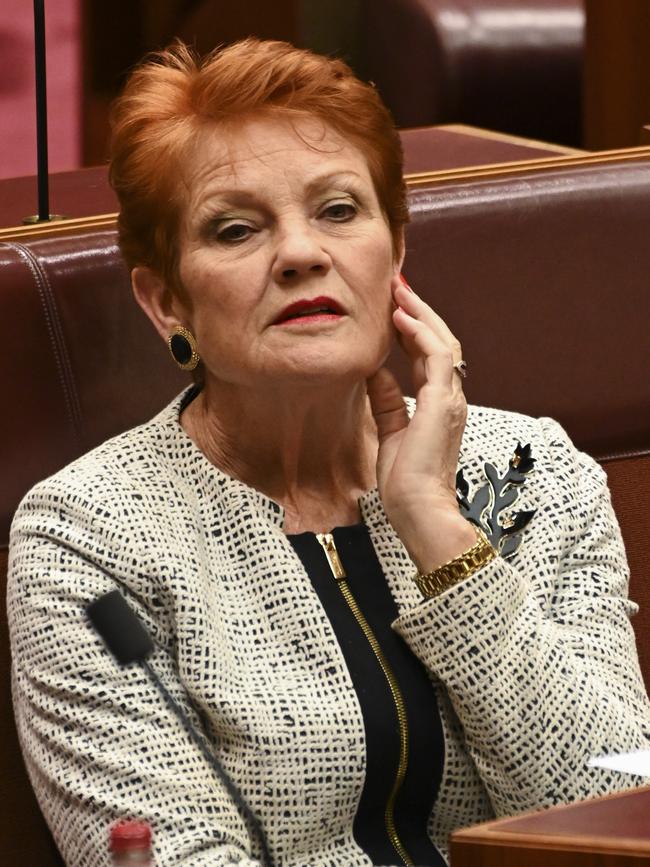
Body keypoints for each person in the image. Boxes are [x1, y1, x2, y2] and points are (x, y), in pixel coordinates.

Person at [7, 38, 650, 867]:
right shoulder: (90, 538)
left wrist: (440, 533)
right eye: (236, 228)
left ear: (398, 252)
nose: (304, 253)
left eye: (340, 210)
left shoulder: (530, 471)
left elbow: (609, 813)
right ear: (167, 301)